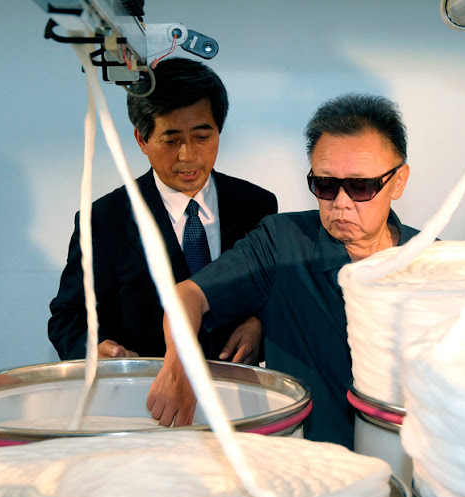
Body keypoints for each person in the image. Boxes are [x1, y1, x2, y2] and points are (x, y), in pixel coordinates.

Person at [145, 93, 419, 449]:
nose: (340, 203)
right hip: (305, 462)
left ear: (398, 181)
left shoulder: (433, 262)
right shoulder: (282, 242)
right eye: (325, 185)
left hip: (404, 459)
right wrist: (179, 363)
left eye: (360, 186)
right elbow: (189, 295)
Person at [48, 58, 277, 363]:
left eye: (202, 137)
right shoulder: (105, 220)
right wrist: (96, 350)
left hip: (237, 384)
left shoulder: (256, 205)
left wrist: (259, 324)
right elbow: (68, 317)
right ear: (142, 139)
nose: (188, 155)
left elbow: (277, 296)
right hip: (147, 387)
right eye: (171, 140)